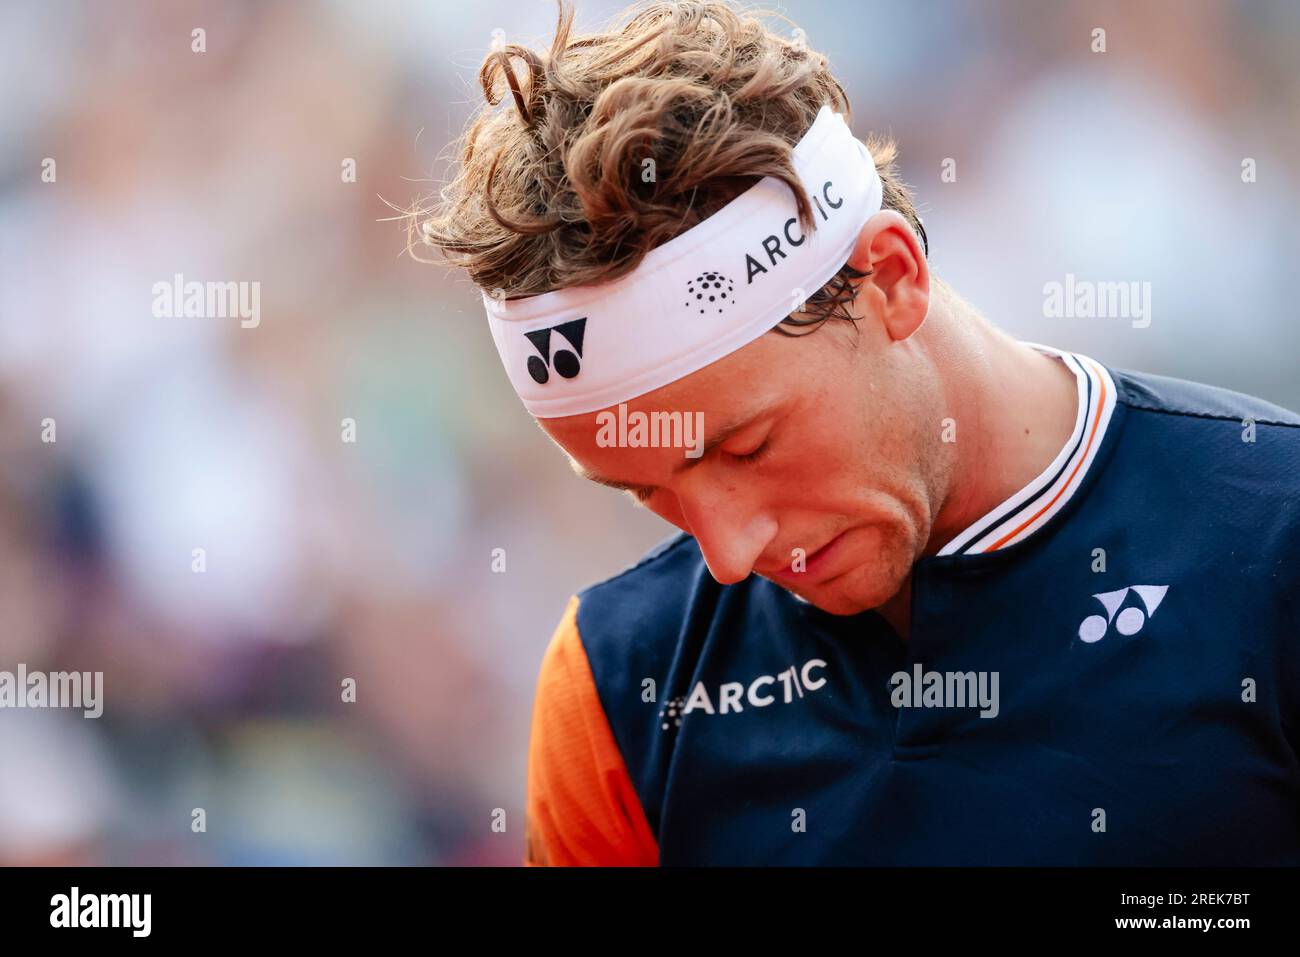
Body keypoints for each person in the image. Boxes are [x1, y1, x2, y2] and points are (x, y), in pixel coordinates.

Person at [411, 1, 1300, 864]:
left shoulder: (1272, 540)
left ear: (890, 276)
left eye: (746, 447)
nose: (726, 552)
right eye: (647, 491)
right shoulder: (618, 680)